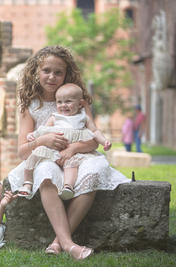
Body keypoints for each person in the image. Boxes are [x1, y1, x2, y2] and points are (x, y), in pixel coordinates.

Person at [8, 45, 130, 260]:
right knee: (45, 171)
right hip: (47, 156)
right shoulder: (31, 106)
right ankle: (68, 243)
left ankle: (58, 242)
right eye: (46, 70)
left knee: (93, 171)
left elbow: (93, 141)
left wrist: (74, 148)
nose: (52, 77)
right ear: (36, 71)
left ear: (67, 74)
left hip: (80, 156)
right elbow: (22, 152)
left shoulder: (77, 99)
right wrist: (43, 140)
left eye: (58, 72)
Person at [17, 83, 112, 200]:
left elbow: (95, 131)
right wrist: (33, 135)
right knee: (34, 157)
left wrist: (104, 141)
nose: (63, 105)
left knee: (71, 165)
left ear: (80, 103)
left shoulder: (83, 117)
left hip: (72, 153)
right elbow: (44, 130)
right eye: (59, 102)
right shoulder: (55, 117)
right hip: (53, 149)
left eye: (68, 101)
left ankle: (68, 186)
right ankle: (27, 183)